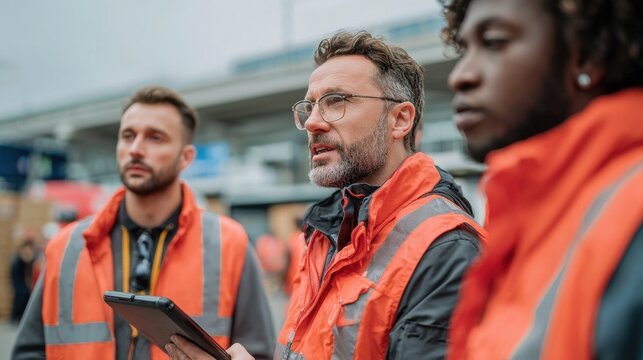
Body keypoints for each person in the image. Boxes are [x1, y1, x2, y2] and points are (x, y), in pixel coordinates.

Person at [167, 31, 485, 360]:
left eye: (336, 101)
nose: (313, 122)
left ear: (400, 120)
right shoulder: (325, 232)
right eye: (310, 106)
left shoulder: (448, 249)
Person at [440, 0, 643, 358]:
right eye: (463, 48)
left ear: (587, 56)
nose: (460, 75)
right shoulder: (529, 217)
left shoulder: (631, 213)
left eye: (494, 42)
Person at [12, 86, 275, 359]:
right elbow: (28, 353)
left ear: (186, 157)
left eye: (155, 137)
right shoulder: (66, 247)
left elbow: (258, 354)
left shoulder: (229, 244)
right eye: (128, 136)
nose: (136, 149)